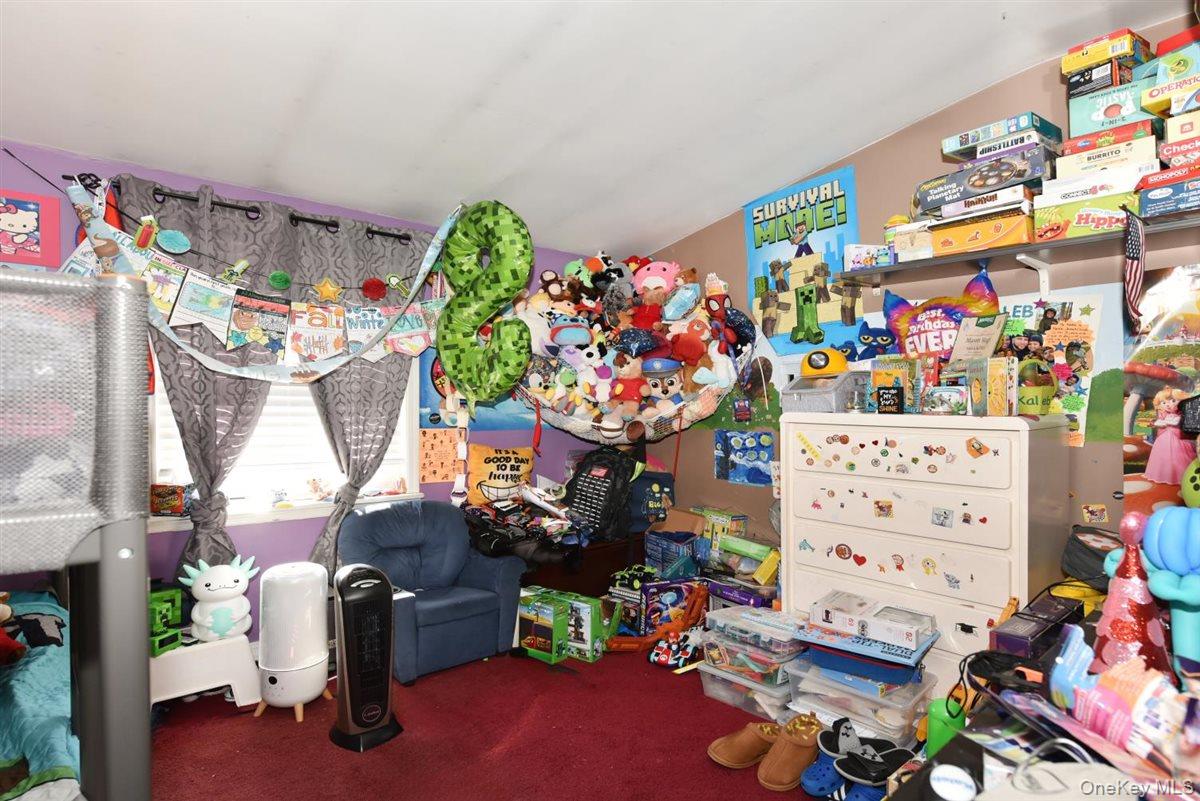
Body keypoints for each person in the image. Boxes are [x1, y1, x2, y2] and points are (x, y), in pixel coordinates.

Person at [1144, 387, 1197, 485]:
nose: (1168, 404)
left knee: (1180, 457)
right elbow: (1158, 422)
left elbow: (1176, 422)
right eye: (1163, 403)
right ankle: (1163, 475)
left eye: (1173, 401)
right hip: (1163, 438)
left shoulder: (1181, 414)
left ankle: (1182, 477)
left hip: (1178, 437)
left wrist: (1168, 422)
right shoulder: (1163, 414)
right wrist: (1161, 422)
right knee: (1162, 457)